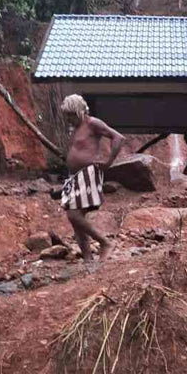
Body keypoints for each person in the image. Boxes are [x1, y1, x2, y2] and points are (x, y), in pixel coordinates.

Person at [58, 94, 126, 261]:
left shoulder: (92, 123)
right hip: (74, 177)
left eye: (70, 115)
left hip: (87, 175)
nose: (68, 119)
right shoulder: (75, 129)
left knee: (73, 214)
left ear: (79, 112)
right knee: (76, 219)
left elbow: (118, 137)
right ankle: (88, 260)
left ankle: (105, 242)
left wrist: (109, 160)